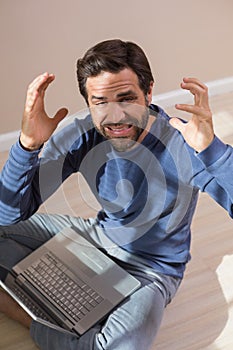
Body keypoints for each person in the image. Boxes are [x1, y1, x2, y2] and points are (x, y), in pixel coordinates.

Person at [0, 39, 232, 350]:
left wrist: (212, 151)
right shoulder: (82, 136)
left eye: (126, 99)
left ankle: (21, 307)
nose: (115, 116)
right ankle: (74, 303)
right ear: (88, 102)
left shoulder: (184, 144)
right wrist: (27, 146)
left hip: (152, 270)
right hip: (95, 237)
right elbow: (9, 213)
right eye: (100, 102)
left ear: (148, 92)